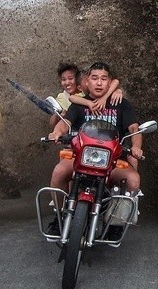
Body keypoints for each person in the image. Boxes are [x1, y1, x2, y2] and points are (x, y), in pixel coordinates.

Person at [49, 62, 143, 199]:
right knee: (59, 172)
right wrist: (57, 133)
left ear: (110, 82)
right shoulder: (78, 104)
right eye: (94, 78)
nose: (99, 83)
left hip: (113, 161)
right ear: (87, 81)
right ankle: (60, 215)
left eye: (104, 79)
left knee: (133, 180)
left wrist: (136, 146)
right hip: (80, 157)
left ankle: (119, 219)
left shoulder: (122, 104)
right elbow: (65, 123)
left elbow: (134, 128)